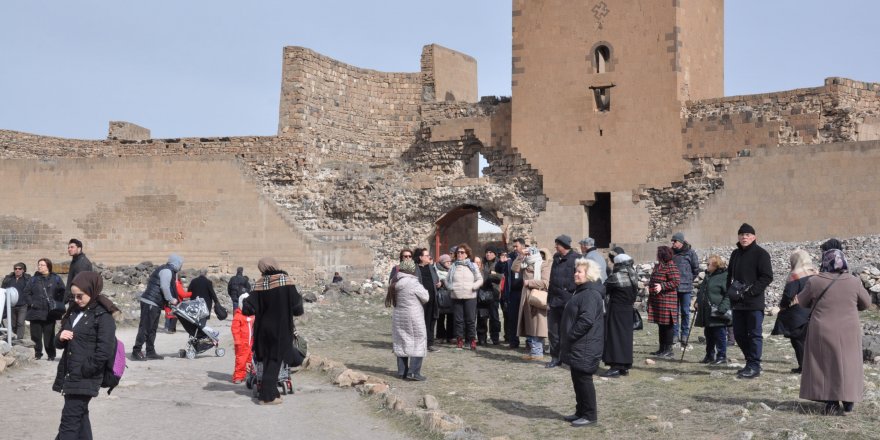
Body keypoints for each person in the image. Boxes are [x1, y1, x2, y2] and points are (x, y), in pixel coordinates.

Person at [796, 249, 871, 415]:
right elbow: (866, 304)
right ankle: (849, 400)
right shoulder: (854, 281)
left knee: (825, 365)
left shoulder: (815, 281)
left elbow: (801, 302)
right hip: (849, 330)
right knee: (849, 364)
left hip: (822, 329)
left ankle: (831, 402)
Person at [52, 272, 118, 440]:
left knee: (69, 423)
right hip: (70, 374)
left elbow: (105, 350)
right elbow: (59, 343)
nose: (76, 300)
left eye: (80, 296)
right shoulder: (74, 312)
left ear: (92, 291)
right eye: (73, 296)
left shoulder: (103, 317)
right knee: (80, 418)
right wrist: (60, 337)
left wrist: (86, 369)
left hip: (84, 377)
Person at [242, 257, 304, 405]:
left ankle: (273, 392)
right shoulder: (285, 280)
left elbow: (248, 308)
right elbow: (297, 307)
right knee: (276, 359)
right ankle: (266, 396)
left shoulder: (259, 284)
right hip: (280, 328)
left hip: (262, 329)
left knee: (267, 359)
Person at [559, 258, 605, 428]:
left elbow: (586, 320)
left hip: (585, 344)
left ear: (589, 274)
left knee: (584, 379)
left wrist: (570, 335)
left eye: (579, 272)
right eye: (575, 271)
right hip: (578, 344)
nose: (575, 274)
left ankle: (590, 415)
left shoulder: (590, 294)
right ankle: (581, 411)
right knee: (577, 378)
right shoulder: (581, 291)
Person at [726, 223, 773, 379]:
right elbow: (729, 276)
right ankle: (750, 361)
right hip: (737, 303)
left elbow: (767, 276)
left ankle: (754, 365)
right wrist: (729, 291)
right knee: (739, 334)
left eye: (747, 235)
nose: (744, 237)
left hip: (754, 302)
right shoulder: (735, 254)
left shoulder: (761, 254)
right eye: (741, 234)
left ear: (754, 237)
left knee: (754, 334)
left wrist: (752, 291)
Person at [132, 254, 182, 361]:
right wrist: (171, 299)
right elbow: (164, 286)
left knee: (152, 329)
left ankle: (150, 351)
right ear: (176, 263)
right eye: (180, 264)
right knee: (145, 328)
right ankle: (136, 351)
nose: (181, 267)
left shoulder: (168, 270)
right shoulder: (167, 271)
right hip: (151, 302)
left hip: (155, 303)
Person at [386, 258, 429, 380]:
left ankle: (402, 372)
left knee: (401, 341)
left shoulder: (395, 282)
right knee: (418, 341)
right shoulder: (413, 283)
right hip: (413, 315)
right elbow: (425, 297)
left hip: (399, 315)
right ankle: (414, 372)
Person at [775, 249, 817, 373]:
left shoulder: (795, 276)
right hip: (815, 311)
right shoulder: (816, 273)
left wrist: (782, 306)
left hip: (798, 314)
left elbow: (788, 295)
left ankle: (804, 367)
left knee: (798, 341)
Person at [547, 234, 582, 368]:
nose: (555, 246)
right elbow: (551, 280)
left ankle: (570, 358)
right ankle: (555, 358)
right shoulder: (556, 258)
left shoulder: (577, 259)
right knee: (553, 332)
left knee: (569, 331)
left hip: (569, 301)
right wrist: (549, 300)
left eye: (557, 244)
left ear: (564, 245)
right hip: (555, 301)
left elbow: (581, 280)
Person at [601, 251, 638, 377]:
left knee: (614, 337)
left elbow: (603, 289)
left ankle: (616, 366)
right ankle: (624, 366)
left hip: (616, 310)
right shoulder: (633, 274)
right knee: (625, 338)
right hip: (628, 310)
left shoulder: (616, 277)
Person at [24, 258, 66, 361]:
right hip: (35, 311)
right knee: (35, 336)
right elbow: (26, 293)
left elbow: (63, 292)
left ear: (48, 266)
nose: (39, 266)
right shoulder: (33, 279)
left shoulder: (56, 279)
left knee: (49, 336)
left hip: (50, 312)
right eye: (39, 265)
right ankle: (37, 354)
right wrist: (31, 303)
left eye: (42, 265)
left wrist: (57, 302)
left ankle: (51, 355)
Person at [693, 254, 731, 365]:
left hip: (717, 312)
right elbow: (702, 291)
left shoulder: (724, 276)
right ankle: (709, 356)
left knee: (719, 335)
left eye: (708, 263)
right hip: (706, 311)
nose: (707, 265)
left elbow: (728, 294)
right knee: (708, 335)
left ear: (716, 265)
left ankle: (721, 356)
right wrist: (697, 302)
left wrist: (723, 308)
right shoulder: (708, 275)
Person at [447, 243, 483, 350]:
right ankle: (459, 340)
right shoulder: (453, 266)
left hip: (470, 296)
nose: (459, 254)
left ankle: (471, 340)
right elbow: (447, 280)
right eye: (458, 252)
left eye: (462, 252)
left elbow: (480, 279)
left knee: (470, 320)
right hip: (456, 296)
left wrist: (473, 286)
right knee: (458, 320)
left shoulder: (473, 266)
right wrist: (451, 287)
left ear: (467, 254)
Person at [647, 246, 680, 359]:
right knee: (661, 325)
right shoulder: (658, 266)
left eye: (658, 253)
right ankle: (662, 349)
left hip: (667, 300)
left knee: (667, 326)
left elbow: (676, 281)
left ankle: (668, 350)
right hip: (658, 300)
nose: (656, 254)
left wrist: (662, 286)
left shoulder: (670, 265)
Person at [519, 247, 550, 361]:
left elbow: (546, 282)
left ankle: (537, 352)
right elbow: (514, 268)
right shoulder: (526, 264)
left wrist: (529, 282)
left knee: (538, 326)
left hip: (537, 297)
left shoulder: (544, 265)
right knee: (530, 325)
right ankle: (533, 351)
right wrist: (520, 256)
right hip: (526, 298)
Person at [671, 232, 699, 346]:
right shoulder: (671, 253)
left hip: (686, 288)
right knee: (674, 313)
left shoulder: (690, 253)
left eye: (675, 241)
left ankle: (684, 335)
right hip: (673, 287)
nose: (673, 243)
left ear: (681, 242)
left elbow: (696, 269)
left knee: (685, 312)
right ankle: (674, 335)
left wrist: (688, 278)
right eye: (672, 241)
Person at [414, 248, 441, 352]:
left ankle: (430, 343)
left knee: (431, 321)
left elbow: (436, 279)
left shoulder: (431, 267)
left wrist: (439, 283)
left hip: (432, 299)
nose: (429, 257)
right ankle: (420, 344)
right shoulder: (415, 268)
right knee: (421, 322)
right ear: (420, 257)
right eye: (426, 255)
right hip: (420, 301)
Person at [476, 250, 502, 346]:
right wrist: (490, 275)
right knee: (482, 317)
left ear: (495, 254)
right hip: (482, 294)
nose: (488, 254)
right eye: (487, 252)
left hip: (494, 294)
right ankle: (482, 338)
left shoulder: (498, 263)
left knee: (494, 318)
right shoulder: (482, 262)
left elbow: (499, 277)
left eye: (490, 252)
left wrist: (488, 275)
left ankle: (495, 338)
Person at [2, 262, 31, 339]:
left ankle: (19, 339)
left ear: (23, 270)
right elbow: (3, 290)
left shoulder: (27, 280)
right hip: (11, 305)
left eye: (19, 269)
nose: (17, 270)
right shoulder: (9, 279)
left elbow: (30, 291)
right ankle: (13, 339)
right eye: (15, 269)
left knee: (20, 323)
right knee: (12, 324)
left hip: (23, 305)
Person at [231, 292, 254, 384]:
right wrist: (237, 341)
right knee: (241, 361)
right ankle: (238, 376)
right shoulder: (238, 316)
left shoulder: (253, 316)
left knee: (251, 360)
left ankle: (251, 376)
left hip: (251, 343)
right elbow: (235, 329)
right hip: (241, 343)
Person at [434, 254, 454, 344]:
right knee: (440, 317)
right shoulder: (436, 269)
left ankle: (450, 336)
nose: (449, 263)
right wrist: (441, 282)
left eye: (450, 261)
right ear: (442, 262)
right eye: (447, 261)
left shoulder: (453, 270)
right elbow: (435, 280)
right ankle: (440, 336)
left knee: (451, 317)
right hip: (441, 296)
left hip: (451, 295)